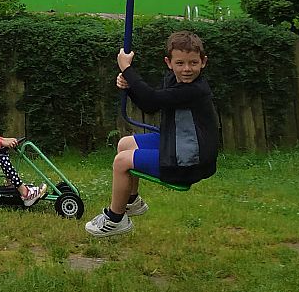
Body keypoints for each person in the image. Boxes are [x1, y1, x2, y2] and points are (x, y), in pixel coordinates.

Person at [86, 30, 219, 239]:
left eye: (193, 63)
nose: (186, 69)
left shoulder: (195, 90)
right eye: (180, 63)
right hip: (177, 143)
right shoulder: (174, 81)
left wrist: (126, 68)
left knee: (122, 162)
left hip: (189, 162)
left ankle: (115, 220)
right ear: (169, 63)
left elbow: (151, 97)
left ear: (203, 62)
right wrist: (129, 87)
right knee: (125, 144)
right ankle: (132, 202)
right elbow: (150, 105)